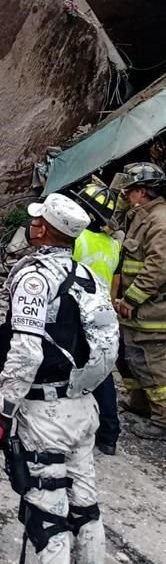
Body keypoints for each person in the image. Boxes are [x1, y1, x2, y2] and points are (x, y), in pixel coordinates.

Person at [0, 193, 118, 564]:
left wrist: (5, 410)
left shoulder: (36, 277)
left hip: (45, 413)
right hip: (81, 407)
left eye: (36, 220)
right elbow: (106, 349)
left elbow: (26, 352)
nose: (32, 225)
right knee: (86, 508)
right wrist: (83, 392)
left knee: (48, 514)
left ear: (42, 230)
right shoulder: (89, 277)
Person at [114, 161, 166, 435]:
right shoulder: (142, 216)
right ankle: (140, 404)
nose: (125, 194)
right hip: (138, 308)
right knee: (129, 358)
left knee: (153, 365)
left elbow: (158, 268)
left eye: (129, 190)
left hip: (152, 310)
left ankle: (163, 420)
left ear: (142, 191)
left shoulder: (160, 221)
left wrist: (131, 299)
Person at [72, 183, 121, 455]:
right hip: (104, 314)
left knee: (66, 365)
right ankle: (109, 435)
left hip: (77, 312)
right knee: (102, 372)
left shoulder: (76, 240)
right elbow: (115, 283)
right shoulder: (114, 246)